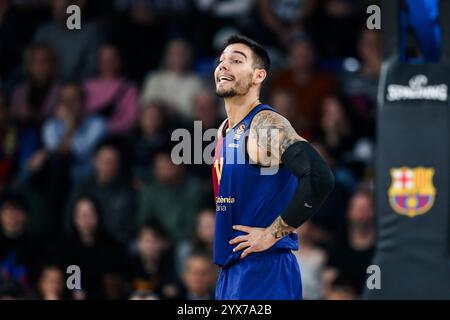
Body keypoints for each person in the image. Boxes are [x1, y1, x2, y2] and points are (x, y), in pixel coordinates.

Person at [212, 35, 334, 300]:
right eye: (221, 61)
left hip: (264, 271)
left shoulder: (265, 123)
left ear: (258, 76)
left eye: (236, 61)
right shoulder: (225, 131)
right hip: (232, 272)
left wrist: (272, 233)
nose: (223, 66)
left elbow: (319, 177)